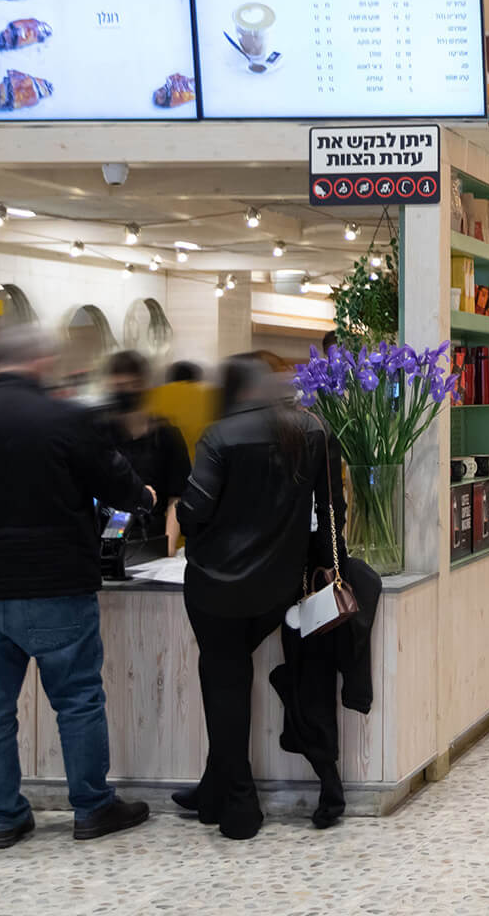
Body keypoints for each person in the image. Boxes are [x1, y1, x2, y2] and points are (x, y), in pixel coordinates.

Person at [0, 324, 156, 849]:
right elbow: (119, 486)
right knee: (78, 698)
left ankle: (3, 818)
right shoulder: (68, 420)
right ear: (39, 363)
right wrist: (146, 496)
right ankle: (92, 809)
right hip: (58, 584)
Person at [175, 355, 343, 840]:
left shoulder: (219, 436)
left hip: (216, 587)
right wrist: (329, 564)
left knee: (224, 681)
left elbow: (193, 513)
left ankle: (239, 805)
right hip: (279, 586)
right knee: (228, 675)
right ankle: (214, 787)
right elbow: (332, 510)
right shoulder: (313, 430)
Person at [98, 351, 191, 554]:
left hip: (153, 535)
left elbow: (177, 497)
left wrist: (168, 544)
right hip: (108, 535)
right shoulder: (101, 434)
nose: (125, 393)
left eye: (132, 385)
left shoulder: (166, 435)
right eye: (118, 387)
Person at [145, 360, 216, 464]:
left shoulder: (154, 395)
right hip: (204, 464)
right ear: (196, 378)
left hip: (170, 465)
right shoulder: (210, 394)